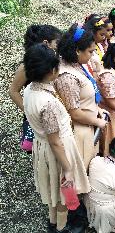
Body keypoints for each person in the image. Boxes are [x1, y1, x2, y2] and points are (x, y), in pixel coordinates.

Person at [23, 44, 90, 233]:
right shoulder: (48, 103)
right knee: (63, 195)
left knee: (53, 191)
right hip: (58, 153)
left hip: (42, 147)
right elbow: (55, 140)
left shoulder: (29, 91)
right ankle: (61, 228)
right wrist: (68, 169)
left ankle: (52, 222)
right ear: (52, 71)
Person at [55, 24, 108, 170]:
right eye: (90, 51)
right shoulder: (67, 77)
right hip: (79, 132)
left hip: (89, 125)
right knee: (82, 169)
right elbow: (74, 113)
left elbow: (84, 97)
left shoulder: (77, 64)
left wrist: (97, 109)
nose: (92, 55)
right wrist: (97, 121)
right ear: (77, 50)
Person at [9, 25, 62, 153]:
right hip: (38, 112)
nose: (59, 46)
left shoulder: (52, 60)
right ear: (46, 43)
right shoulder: (27, 65)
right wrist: (29, 112)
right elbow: (13, 91)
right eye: (57, 43)